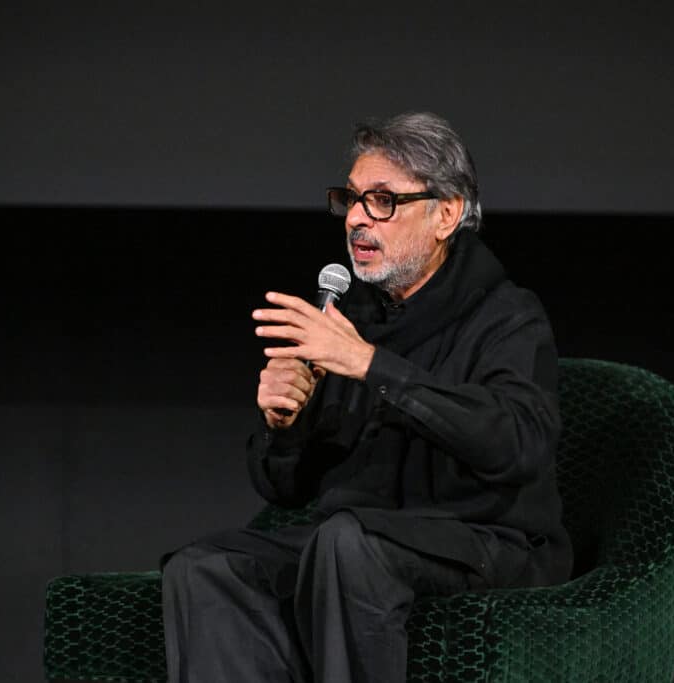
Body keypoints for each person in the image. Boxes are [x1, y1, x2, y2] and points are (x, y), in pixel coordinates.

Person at [160, 111, 572, 682]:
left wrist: (370, 365)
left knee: (347, 542)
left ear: (446, 214)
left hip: (486, 539)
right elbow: (285, 491)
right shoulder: (352, 314)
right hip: (359, 536)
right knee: (208, 568)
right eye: (351, 199)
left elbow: (516, 443)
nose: (356, 218)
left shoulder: (506, 316)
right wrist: (285, 426)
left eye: (382, 201)